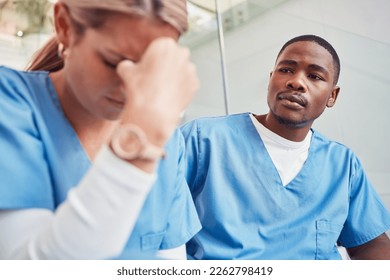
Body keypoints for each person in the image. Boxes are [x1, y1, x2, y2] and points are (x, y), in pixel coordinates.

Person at [0, 0, 201, 260]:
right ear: (64, 26)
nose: (131, 86)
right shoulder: (10, 102)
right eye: (113, 62)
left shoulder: (169, 141)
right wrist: (137, 145)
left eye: (148, 69)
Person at [181, 34, 390, 260]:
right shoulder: (203, 140)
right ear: (271, 79)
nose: (296, 82)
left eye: (314, 76)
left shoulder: (342, 163)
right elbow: (157, 220)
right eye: (286, 70)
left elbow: (371, 245)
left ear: (332, 95)